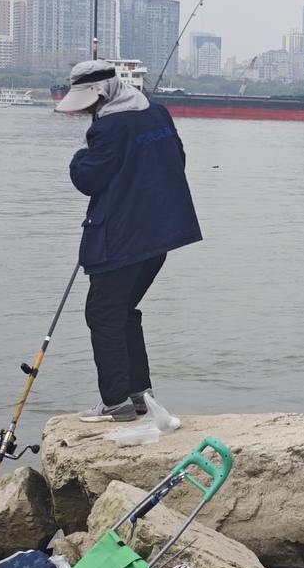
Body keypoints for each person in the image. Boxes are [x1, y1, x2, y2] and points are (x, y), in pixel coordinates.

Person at [55, 59, 202, 422]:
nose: (86, 110)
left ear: (101, 94)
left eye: (88, 102)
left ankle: (115, 401)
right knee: (122, 311)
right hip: (161, 236)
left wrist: (78, 158)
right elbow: (176, 160)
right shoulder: (159, 114)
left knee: (102, 313)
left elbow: (88, 178)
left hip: (123, 239)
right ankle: (139, 395)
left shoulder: (108, 128)